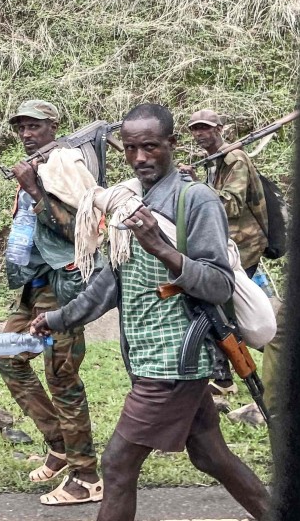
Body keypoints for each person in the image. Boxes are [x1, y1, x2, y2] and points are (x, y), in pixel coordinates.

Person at [31, 103, 270, 521]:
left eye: (151, 147)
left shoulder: (195, 200)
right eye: (130, 148)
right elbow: (110, 284)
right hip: (147, 355)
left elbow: (217, 282)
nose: (140, 158)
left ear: (172, 145)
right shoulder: (129, 199)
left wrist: (161, 247)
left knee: (117, 464)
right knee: (210, 454)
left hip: (176, 359)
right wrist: (56, 319)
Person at [0, 100, 101, 505]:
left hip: (61, 289)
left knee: (62, 377)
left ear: (53, 126)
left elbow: (81, 225)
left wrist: (34, 190)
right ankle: (59, 443)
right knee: (8, 355)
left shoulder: (64, 165)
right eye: (20, 127)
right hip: (33, 288)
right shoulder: (37, 165)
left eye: (34, 126)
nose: (26, 133)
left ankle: (87, 475)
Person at [181, 110, 269, 397]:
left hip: (243, 245)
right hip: (228, 244)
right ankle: (225, 375)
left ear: (220, 129)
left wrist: (197, 188)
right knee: (218, 309)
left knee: (221, 309)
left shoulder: (234, 158)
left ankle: (231, 372)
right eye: (195, 129)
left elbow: (230, 204)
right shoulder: (216, 160)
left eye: (205, 128)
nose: (199, 134)